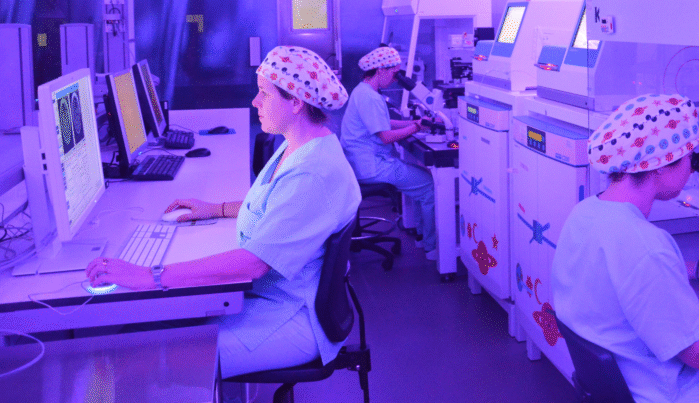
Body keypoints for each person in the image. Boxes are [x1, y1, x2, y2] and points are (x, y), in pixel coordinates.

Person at [86, 46, 361, 379]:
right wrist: (214, 209)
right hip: (270, 297)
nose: (255, 102)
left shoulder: (312, 173)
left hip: (290, 316)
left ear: (296, 102)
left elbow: (255, 263)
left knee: (144, 358)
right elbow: (272, 208)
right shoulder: (300, 145)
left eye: (264, 94)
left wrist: (149, 275)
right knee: (142, 333)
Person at [551, 93, 699, 403]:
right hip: (662, 394)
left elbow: (620, 274)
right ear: (660, 166)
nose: (693, 168)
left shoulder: (585, 213)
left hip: (623, 382)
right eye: (689, 157)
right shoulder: (646, 245)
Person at [340, 45, 438, 259]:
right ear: (380, 70)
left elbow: (381, 122)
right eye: (394, 74)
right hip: (372, 166)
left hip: (361, 162)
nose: (396, 79)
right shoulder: (370, 97)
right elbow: (385, 136)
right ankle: (431, 247)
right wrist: (416, 127)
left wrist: (411, 122)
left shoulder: (363, 91)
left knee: (420, 178)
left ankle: (421, 235)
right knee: (429, 186)